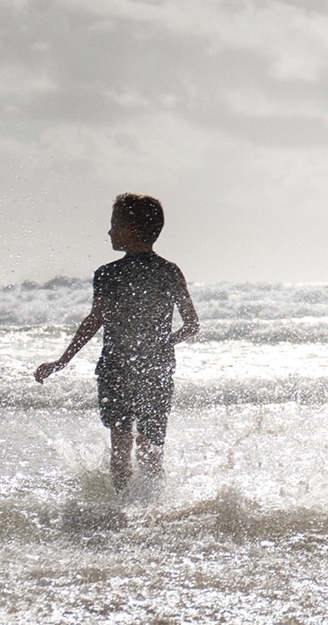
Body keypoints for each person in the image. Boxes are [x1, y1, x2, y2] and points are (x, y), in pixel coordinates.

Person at [35, 193, 200, 493]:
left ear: (131, 229)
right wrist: (163, 344)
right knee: (151, 449)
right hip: (157, 370)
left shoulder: (109, 274)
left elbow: (94, 320)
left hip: (117, 368)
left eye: (114, 224)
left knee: (120, 447)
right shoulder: (169, 271)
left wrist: (62, 361)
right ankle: (152, 509)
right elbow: (192, 325)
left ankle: (121, 508)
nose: (109, 231)